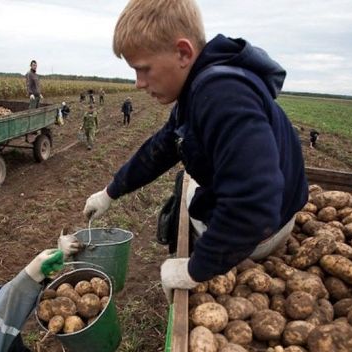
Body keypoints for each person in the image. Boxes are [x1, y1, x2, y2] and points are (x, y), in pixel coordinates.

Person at [83, 0, 308, 301]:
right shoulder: (199, 90)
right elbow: (162, 147)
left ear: (183, 53)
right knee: (189, 181)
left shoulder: (221, 95)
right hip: (275, 217)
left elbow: (256, 204)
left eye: (144, 69)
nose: (138, 83)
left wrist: (194, 269)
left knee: (188, 193)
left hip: (263, 234)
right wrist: (110, 192)